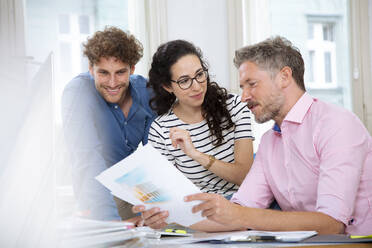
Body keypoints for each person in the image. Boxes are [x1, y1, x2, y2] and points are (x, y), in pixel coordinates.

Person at [137, 36, 372, 235]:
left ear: (284, 77)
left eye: (251, 84)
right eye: (242, 86)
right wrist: (169, 216)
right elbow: (239, 208)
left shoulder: (336, 124)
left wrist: (239, 214)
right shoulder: (270, 143)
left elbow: (331, 224)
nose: (243, 96)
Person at [132, 39, 254, 226]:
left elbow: (244, 176)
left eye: (199, 75)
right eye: (184, 81)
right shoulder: (161, 128)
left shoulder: (235, 107)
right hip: (196, 212)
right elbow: (166, 193)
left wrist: (195, 154)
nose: (196, 86)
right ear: (167, 86)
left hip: (240, 204)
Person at [62, 26, 155, 222]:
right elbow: (87, 160)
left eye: (120, 72)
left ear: (132, 69)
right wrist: (112, 224)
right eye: (103, 73)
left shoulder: (147, 92)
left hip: (133, 192)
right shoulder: (78, 92)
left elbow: (154, 156)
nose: (112, 83)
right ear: (90, 69)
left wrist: (154, 213)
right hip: (96, 197)